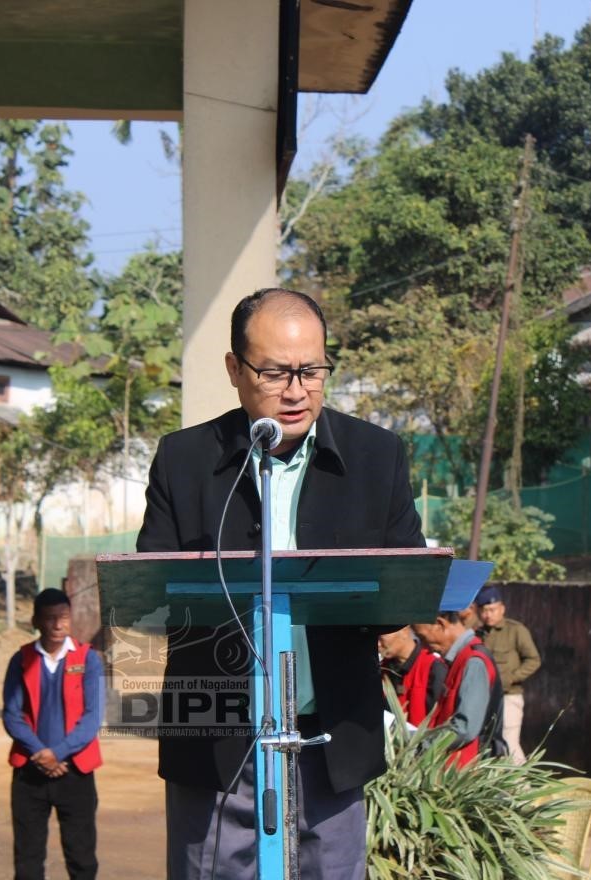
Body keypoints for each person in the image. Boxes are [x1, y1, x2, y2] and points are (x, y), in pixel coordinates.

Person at [136, 287, 425, 879]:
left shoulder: (377, 457)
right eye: (274, 373)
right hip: (216, 736)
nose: (296, 391)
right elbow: (151, 593)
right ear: (235, 369)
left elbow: (402, 587)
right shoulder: (184, 459)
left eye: (311, 371)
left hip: (329, 734)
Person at [3, 588, 104, 880]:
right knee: (28, 859)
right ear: (36, 621)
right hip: (30, 772)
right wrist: (41, 753)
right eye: (50, 618)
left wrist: (57, 753)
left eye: (64, 617)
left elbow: (92, 718)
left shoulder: (88, 659)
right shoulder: (21, 659)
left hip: (76, 772)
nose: (58, 625)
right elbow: (12, 715)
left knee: (81, 857)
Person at [412, 611, 501, 765]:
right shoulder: (461, 658)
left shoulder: (473, 661)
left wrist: (423, 744)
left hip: (464, 766)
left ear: (440, 624)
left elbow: (465, 728)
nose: (425, 647)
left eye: (423, 638)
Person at [473, 586, 541, 763]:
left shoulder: (516, 630)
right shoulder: (477, 633)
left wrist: (510, 678)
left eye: (492, 610)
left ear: (502, 608)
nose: (488, 615)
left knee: (509, 743)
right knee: (487, 743)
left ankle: (521, 781)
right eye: (484, 610)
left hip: (508, 696)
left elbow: (533, 660)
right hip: (484, 698)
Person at [378, 626, 445, 726]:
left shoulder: (433, 666)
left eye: (381, 637)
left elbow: (441, 717)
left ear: (404, 631)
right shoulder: (382, 669)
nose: (378, 644)